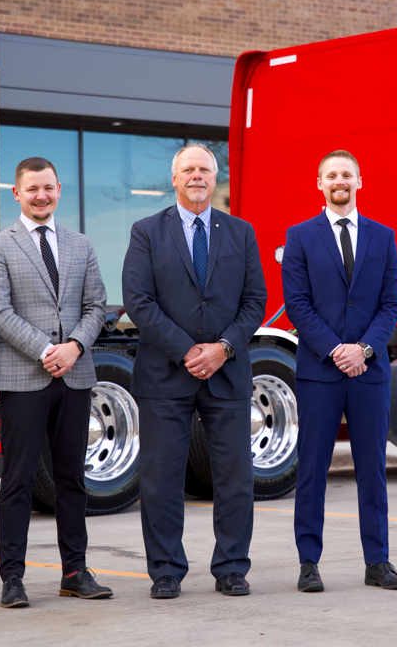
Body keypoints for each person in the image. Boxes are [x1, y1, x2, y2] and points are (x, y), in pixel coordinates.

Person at [121, 143, 267, 599]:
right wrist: (188, 350)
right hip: (165, 373)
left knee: (235, 477)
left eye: (205, 169)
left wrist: (221, 348)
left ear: (215, 177)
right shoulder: (146, 231)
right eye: (188, 169)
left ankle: (231, 568)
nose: (197, 176)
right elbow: (138, 301)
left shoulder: (241, 232)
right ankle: (165, 570)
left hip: (227, 371)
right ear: (175, 178)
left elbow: (255, 300)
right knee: (161, 479)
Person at [0, 157, 111, 608]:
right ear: (16, 193)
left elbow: (97, 306)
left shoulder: (81, 245)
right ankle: (12, 579)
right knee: (16, 481)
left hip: (75, 376)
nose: (41, 196)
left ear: (59, 190)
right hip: (24, 377)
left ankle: (75, 571)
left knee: (73, 479)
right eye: (32, 189)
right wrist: (45, 351)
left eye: (49, 188)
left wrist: (73, 347)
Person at [280, 149, 397, 593]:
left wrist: (365, 349)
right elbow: (296, 303)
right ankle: (309, 563)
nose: (340, 180)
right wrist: (337, 349)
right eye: (332, 175)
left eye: (347, 174)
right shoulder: (299, 237)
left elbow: (392, 301)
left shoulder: (383, 236)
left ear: (360, 181)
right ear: (319, 183)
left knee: (371, 468)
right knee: (312, 468)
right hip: (320, 371)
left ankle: (378, 563)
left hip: (369, 373)